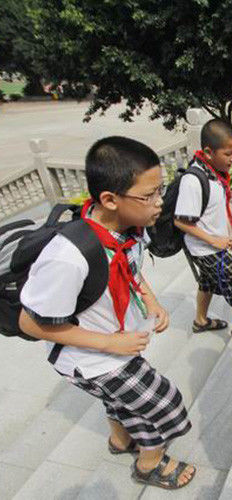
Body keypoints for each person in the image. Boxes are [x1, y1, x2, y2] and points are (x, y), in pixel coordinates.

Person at [19, 137, 195, 489]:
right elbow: (29, 322)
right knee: (165, 405)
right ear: (110, 200)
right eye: (149, 195)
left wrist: (151, 301)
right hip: (92, 357)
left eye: (160, 190)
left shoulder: (126, 229)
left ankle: (120, 440)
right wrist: (110, 344)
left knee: (124, 402)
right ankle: (149, 464)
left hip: (116, 344)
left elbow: (130, 267)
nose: (160, 202)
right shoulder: (68, 257)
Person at [174, 119, 232, 348]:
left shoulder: (214, 172)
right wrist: (215, 240)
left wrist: (226, 235)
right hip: (204, 248)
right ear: (208, 152)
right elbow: (181, 222)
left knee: (207, 282)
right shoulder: (193, 181)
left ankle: (200, 321)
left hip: (215, 243)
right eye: (228, 154)